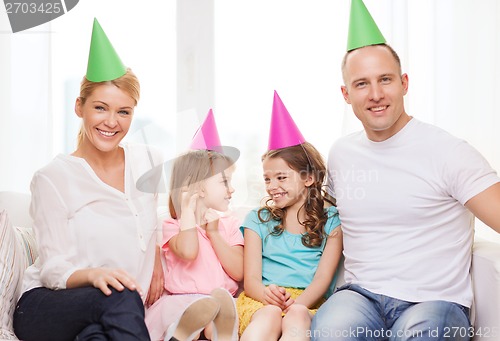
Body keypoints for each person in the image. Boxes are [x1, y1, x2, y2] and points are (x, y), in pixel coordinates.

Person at [311, 1, 500, 340]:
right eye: (362, 84)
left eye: (385, 80)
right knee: (330, 330)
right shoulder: (341, 153)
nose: (376, 94)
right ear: (345, 93)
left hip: (434, 302)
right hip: (360, 297)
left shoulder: (449, 152)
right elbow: (330, 221)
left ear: (404, 83)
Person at [13, 19, 164, 341]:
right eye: (100, 108)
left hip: (114, 309)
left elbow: (150, 228)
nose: (112, 122)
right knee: (121, 296)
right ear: (79, 107)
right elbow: (53, 269)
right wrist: (95, 275)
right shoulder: (52, 178)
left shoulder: (149, 160)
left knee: (98, 334)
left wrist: (159, 264)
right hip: (46, 305)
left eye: (124, 112)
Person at [237, 91, 343, 341]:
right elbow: (251, 280)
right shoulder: (258, 220)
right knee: (270, 315)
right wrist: (268, 297)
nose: (272, 185)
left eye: (281, 177)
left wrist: (295, 305)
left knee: (296, 316)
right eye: (267, 178)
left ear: (308, 178)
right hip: (263, 300)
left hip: (308, 302)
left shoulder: (331, 221)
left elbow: (323, 279)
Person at [145, 110, 243, 341]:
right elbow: (189, 252)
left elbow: (239, 272)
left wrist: (214, 234)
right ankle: (181, 332)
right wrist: (187, 209)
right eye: (224, 181)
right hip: (181, 301)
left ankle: (219, 333)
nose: (232, 189)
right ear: (197, 186)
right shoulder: (171, 225)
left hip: (222, 302)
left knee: (218, 316)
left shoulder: (229, 224)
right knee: (192, 316)